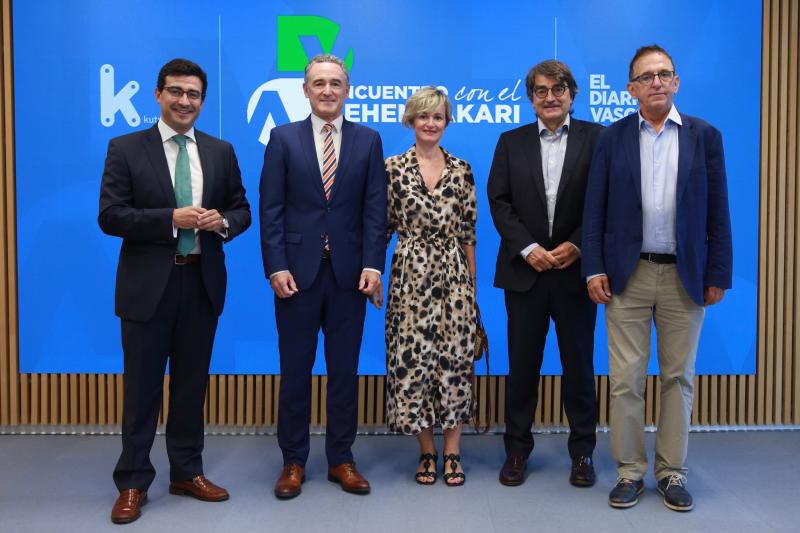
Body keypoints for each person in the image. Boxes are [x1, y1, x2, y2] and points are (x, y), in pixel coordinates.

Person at [98, 58, 251, 524]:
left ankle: (187, 472)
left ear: (202, 101)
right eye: (177, 92)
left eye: (194, 94)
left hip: (201, 283)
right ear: (158, 94)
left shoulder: (221, 151)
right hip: (148, 290)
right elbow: (110, 216)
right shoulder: (126, 148)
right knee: (142, 391)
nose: (186, 101)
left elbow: (241, 209)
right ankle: (132, 483)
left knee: (190, 388)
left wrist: (221, 222)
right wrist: (170, 218)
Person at [582, 44, 733, 511]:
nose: (656, 83)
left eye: (664, 74)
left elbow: (718, 213)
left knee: (677, 379)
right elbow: (595, 209)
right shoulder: (613, 138)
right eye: (646, 77)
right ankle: (629, 472)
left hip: (684, 277)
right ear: (630, 89)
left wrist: (718, 273)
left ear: (677, 82)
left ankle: (671, 472)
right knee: (626, 380)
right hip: (627, 275)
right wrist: (593, 266)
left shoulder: (705, 136)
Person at [259, 54, 387, 499]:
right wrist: (276, 266)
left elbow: (375, 210)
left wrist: (374, 265)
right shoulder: (282, 139)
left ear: (347, 90)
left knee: (344, 372)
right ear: (306, 90)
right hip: (295, 275)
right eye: (319, 83)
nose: (327, 90)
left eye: (335, 83)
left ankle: (341, 459)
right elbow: (271, 210)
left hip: (350, 276)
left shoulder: (368, 140)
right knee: (295, 372)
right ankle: (293, 461)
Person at [487, 60, 602, 488]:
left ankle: (583, 453)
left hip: (576, 275)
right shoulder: (510, 141)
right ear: (530, 97)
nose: (549, 97)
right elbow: (499, 201)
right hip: (525, 273)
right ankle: (516, 451)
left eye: (558, 89)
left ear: (572, 94)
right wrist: (529, 248)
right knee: (521, 368)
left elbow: (604, 201)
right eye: (540, 90)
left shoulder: (598, 139)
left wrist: (578, 244)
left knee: (579, 368)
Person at [385, 87, 477, 487]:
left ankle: (453, 450)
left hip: (454, 276)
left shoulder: (462, 169)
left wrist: (471, 288)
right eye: (423, 116)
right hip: (409, 277)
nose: (430, 123)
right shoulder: (391, 168)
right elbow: (381, 227)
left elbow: (469, 231)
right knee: (413, 363)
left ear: (446, 121)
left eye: (438, 117)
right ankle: (427, 450)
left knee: (455, 362)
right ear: (411, 120)